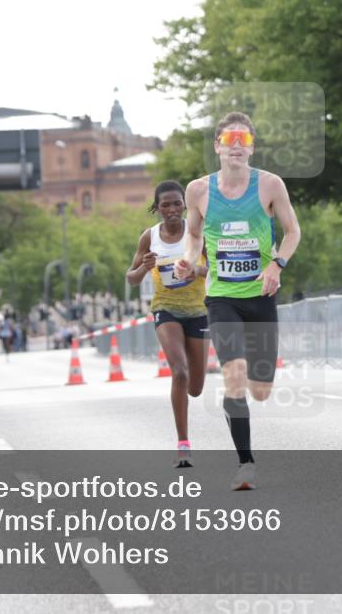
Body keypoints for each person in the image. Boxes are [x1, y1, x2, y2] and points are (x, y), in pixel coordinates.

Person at [175, 112, 301, 490]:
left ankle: (255, 390)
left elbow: (293, 231)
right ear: (216, 146)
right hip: (222, 298)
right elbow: (194, 236)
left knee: (260, 389)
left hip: (261, 296)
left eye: (243, 140)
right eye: (229, 139)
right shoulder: (198, 191)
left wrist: (277, 265)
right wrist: (188, 258)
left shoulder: (270, 186)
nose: (235, 146)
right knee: (233, 375)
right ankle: (245, 463)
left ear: (251, 148)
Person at [128, 180, 211, 469]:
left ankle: (187, 388)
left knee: (196, 387)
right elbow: (131, 277)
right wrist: (143, 267)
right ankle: (183, 444)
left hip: (199, 311)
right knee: (179, 371)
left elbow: (215, 267)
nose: (172, 209)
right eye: (166, 205)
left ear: (184, 205)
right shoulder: (149, 237)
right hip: (166, 310)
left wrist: (196, 271)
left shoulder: (197, 231)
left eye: (177, 203)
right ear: (157, 208)